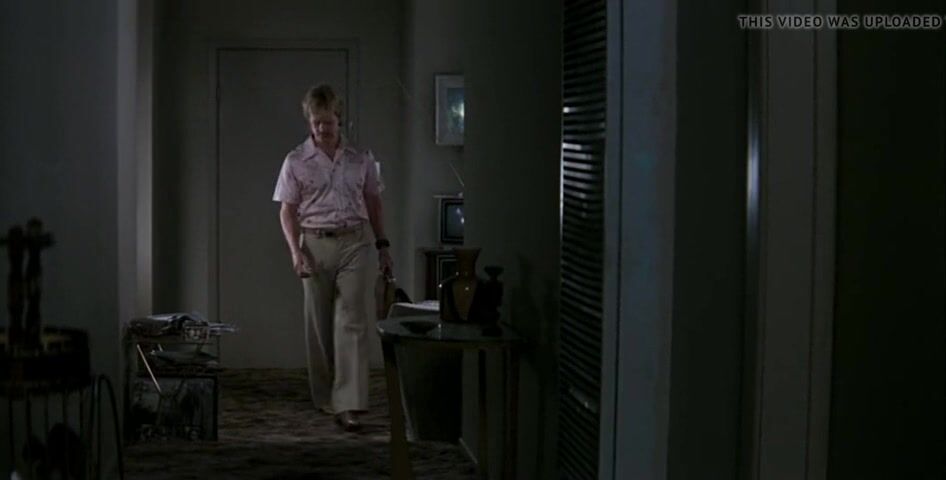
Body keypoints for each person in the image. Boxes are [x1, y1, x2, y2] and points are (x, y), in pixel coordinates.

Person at [273, 84, 393, 432]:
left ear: (340, 120)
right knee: (320, 324)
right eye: (316, 122)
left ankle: (349, 403)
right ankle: (326, 396)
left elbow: (374, 203)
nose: (322, 128)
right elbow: (287, 211)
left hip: (355, 242)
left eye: (328, 122)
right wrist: (296, 252)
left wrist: (383, 246)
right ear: (309, 121)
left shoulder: (361, 159)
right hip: (315, 242)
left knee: (351, 320)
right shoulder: (296, 161)